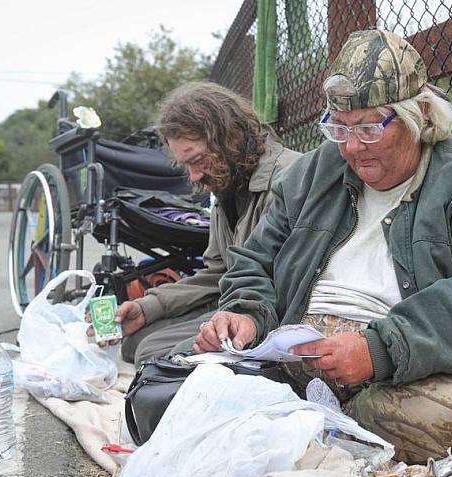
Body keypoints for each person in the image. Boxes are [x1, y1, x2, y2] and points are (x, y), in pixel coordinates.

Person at [193, 29, 452, 463]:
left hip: (415, 369)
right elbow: (253, 261)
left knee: (438, 420)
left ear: (419, 115)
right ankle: (313, 429)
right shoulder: (312, 174)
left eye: (370, 128)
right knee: (178, 384)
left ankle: (307, 429)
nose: (351, 148)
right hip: (294, 356)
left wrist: (381, 349)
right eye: (339, 129)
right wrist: (247, 315)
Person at [89, 81, 301, 364]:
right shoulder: (227, 184)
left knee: (151, 354)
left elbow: (285, 285)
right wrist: (147, 308)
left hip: (267, 316)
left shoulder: (288, 178)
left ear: (231, 137)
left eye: (198, 160)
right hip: (231, 304)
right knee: (134, 343)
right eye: (186, 165)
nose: (194, 177)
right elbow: (218, 274)